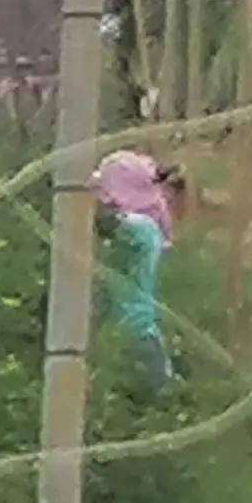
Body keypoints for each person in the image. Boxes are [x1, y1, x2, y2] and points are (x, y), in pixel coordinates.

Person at [93, 148, 181, 385]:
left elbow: (112, 222)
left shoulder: (140, 227)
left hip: (133, 331)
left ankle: (161, 387)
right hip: (123, 328)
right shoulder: (150, 226)